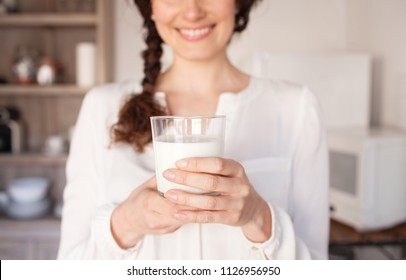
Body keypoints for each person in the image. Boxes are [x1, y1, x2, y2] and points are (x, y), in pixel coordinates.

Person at [58, 0, 329, 260]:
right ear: (151, 6)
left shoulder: (296, 108)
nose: (192, 11)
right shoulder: (102, 107)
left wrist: (260, 218)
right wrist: (125, 223)